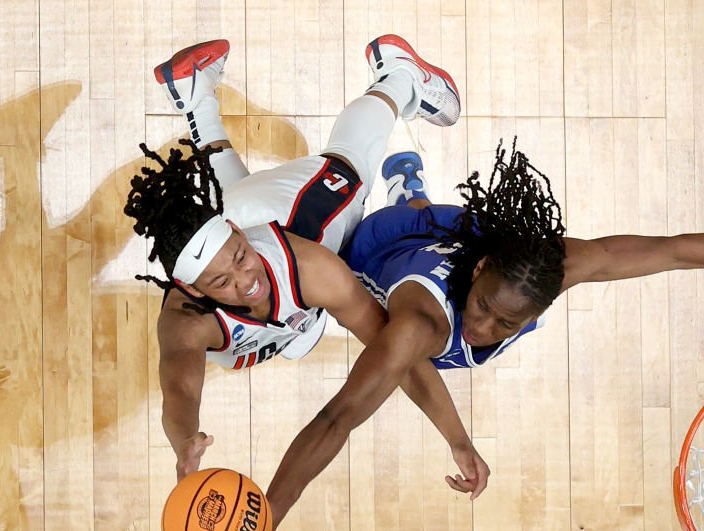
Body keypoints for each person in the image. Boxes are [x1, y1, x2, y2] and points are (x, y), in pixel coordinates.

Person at [240, 140, 704, 531]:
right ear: (478, 272)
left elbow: (675, 250)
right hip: (381, 252)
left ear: (542, 304)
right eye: (482, 307)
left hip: (462, 245)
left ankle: (417, 191)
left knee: (427, 305)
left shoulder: (556, 267)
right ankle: (405, 190)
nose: (482, 326)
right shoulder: (421, 323)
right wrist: (272, 511)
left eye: (504, 321)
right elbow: (339, 417)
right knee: (327, 313)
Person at [124, 36, 480, 483]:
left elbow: (396, 351)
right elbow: (178, 385)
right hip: (241, 215)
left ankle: (398, 76)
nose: (245, 281)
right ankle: (196, 94)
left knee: (351, 163)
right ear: (191, 291)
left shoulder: (313, 268)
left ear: (236, 233)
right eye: (221, 283)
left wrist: (457, 440)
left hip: (290, 214)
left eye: (239, 257)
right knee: (240, 214)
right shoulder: (188, 320)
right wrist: (185, 441)